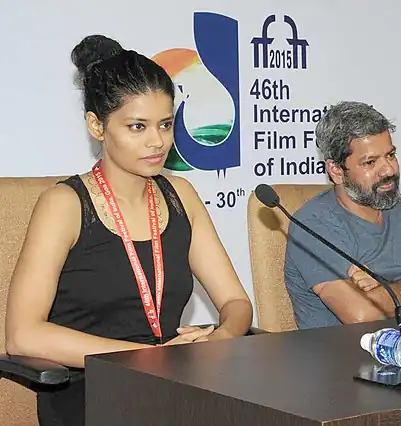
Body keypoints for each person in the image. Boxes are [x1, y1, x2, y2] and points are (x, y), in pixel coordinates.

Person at [3, 35, 253, 426]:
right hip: (90, 395)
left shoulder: (181, 195)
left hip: (174, 385)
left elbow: (236, 303)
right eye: (137, 126)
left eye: (166, 124)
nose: (157, 142)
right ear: (96, 126)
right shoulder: (64, 205)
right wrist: (146, 358)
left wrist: (220, 340)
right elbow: (22, 336)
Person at [284, 101, 401, 329]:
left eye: (390, 155)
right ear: (336, 171)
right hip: (344, 359)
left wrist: (389, 298)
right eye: (370, 162)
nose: (389, 170)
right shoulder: (313, 225)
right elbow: (363, 316)